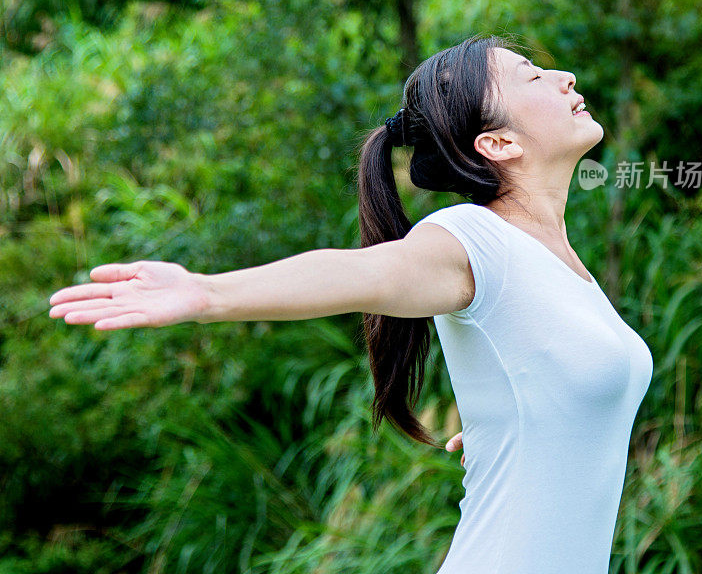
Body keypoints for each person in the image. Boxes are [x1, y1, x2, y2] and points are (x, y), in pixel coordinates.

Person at [48, 33, 653, 574]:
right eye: (533, 76)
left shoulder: (559, 266)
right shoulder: (472, 238)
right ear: (497, 142)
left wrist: (522, 421)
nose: (564, 77)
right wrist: (208, 292)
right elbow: (363, 271)